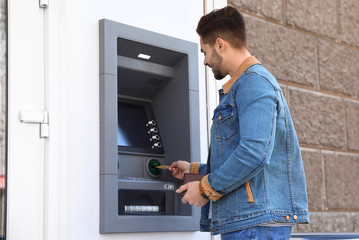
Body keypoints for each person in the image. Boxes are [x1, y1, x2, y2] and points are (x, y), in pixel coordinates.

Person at [169, 6, 309, 240]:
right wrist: (194, 171)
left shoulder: (254, 84)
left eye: (205, 51)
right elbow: (243, 161)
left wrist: (205, 189)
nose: (204, 61)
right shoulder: (244, 86)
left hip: (254, 225)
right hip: (250, 221)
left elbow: (253, 154)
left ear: (220, 45)